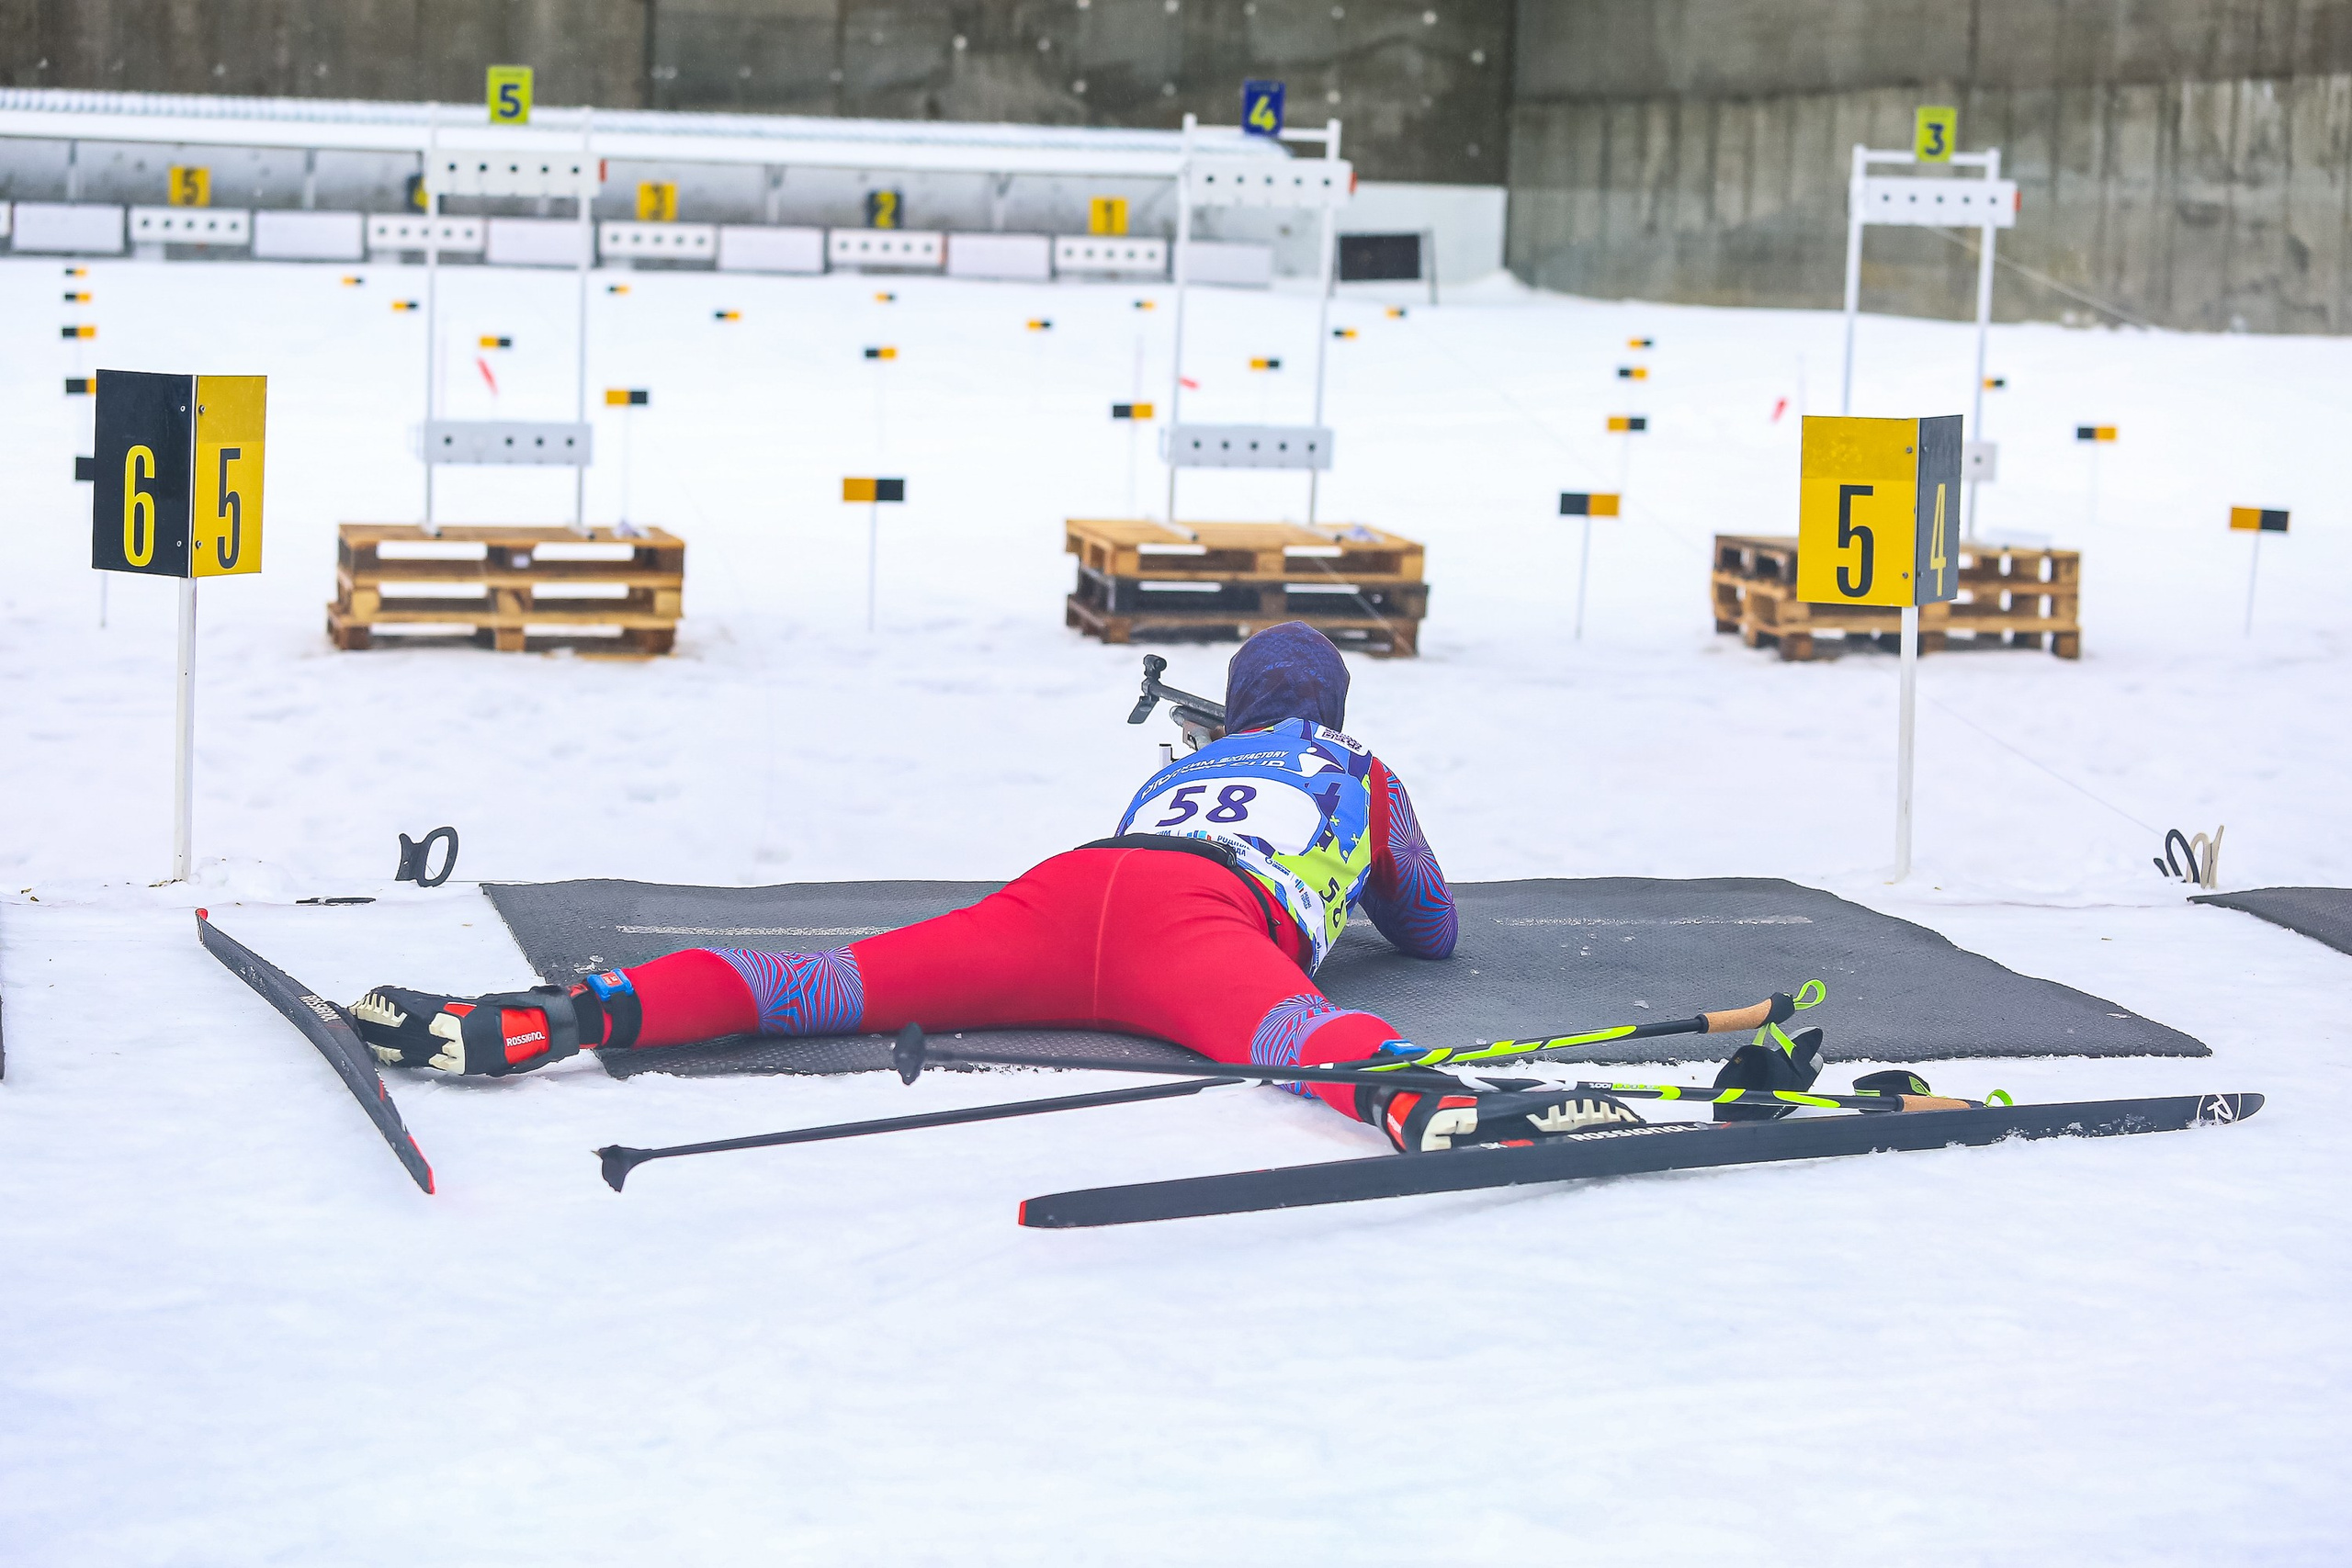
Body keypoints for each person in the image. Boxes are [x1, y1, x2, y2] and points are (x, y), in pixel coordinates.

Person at [353, 622, 1648, 1152]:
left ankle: (557, 1017)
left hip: (1070, 889)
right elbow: (1431, 928)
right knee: (1291, 1033)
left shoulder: (1181, 766)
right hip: (1198, 924)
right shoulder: (1354, 769)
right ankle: (1424, 1103)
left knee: (827, 981)